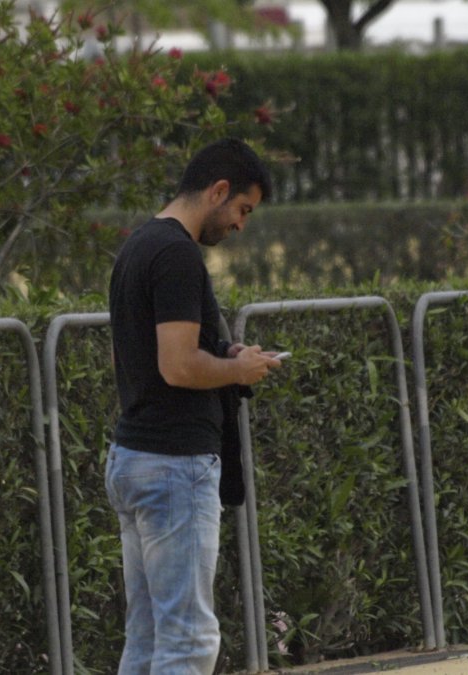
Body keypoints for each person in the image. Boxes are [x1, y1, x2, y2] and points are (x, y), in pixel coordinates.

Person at [106, 138, 280, 674]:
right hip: (175, 465)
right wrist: (240, 370)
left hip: (135, 457)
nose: (240, 225)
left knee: (148, 637)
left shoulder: (139, 245)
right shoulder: (178, 254)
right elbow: (178, 366)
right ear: (218, 190)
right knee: (188, 642)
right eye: (242, 210)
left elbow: (163, 350)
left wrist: (226, 352)